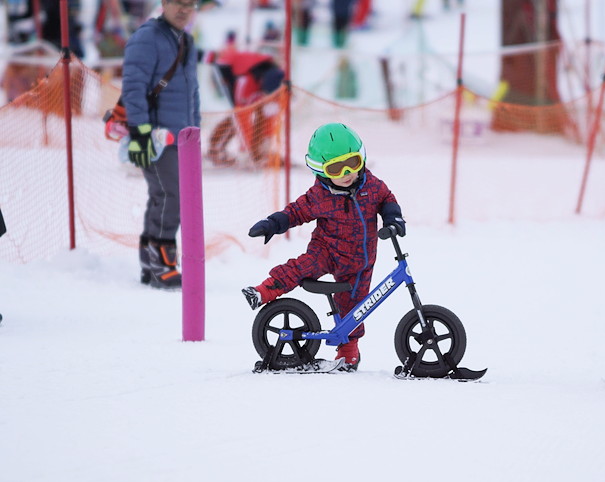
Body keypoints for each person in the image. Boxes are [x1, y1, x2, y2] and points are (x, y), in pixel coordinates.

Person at [241, 123, 406, 371]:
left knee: (354, 308)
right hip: (326, 250)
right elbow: (295, 212)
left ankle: (348, 352)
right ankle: (264, 291)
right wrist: (273, 224)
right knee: (301, 266)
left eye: (352, 161)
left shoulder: (372, 186)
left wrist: (393, 219)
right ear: (321, 170)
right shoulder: (320, 195)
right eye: (337, 167)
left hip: (360, 261)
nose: (348, 171)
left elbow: (387, 200)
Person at [122, 0, 201, 289]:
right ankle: (161, 262)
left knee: (166, 196)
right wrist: (140, 131)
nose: (184, 10)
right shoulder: (147, 38)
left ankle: (150, 261)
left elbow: (192, 90)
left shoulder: (185, 39)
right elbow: (133, 88)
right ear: (164, 4)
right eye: (178, 3)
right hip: (156, 136)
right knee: (170, 196)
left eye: (190, 4)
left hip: (183, 137)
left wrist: (195, 130)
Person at [207, 34, 284, 166]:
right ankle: (215, 149)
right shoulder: (246, 82)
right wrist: (250, 153)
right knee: (238, 113)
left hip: (253, 74)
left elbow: (270, 115)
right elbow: (242, 117)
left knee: (264, 110)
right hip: (228, 68)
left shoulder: (278, 78)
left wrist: (265, 147)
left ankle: (260, 149)